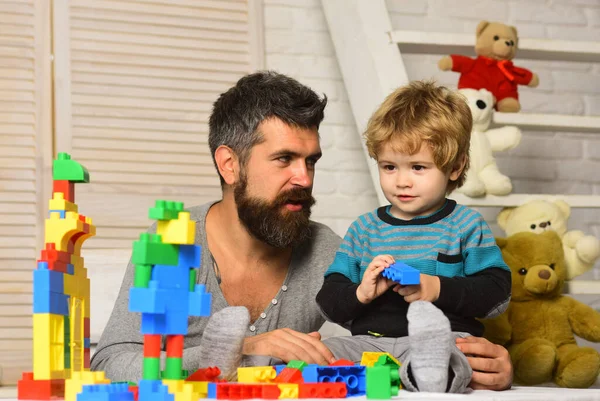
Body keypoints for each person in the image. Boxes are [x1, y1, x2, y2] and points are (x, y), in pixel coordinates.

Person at [91, 71, 512, 390]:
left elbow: (385, 339)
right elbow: (109, 363)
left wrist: (489, 364)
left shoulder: (327, 248)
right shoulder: (172, 241)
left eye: (310, 161)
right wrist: (248, 349)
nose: (305, 179)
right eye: (284, 159)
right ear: (229, 164)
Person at [316, 80, 513, 393]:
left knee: (455, 355)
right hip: (370, 345)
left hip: (441, 339)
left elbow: (497, 295)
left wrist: (434, 287)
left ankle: (427, 371)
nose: (402, 181)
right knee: (321, 353)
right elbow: (327, 302)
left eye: (418, 167)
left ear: (455, 166)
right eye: (389, 166)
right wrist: (361, 293)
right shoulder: (364, 229)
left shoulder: (465, 225)